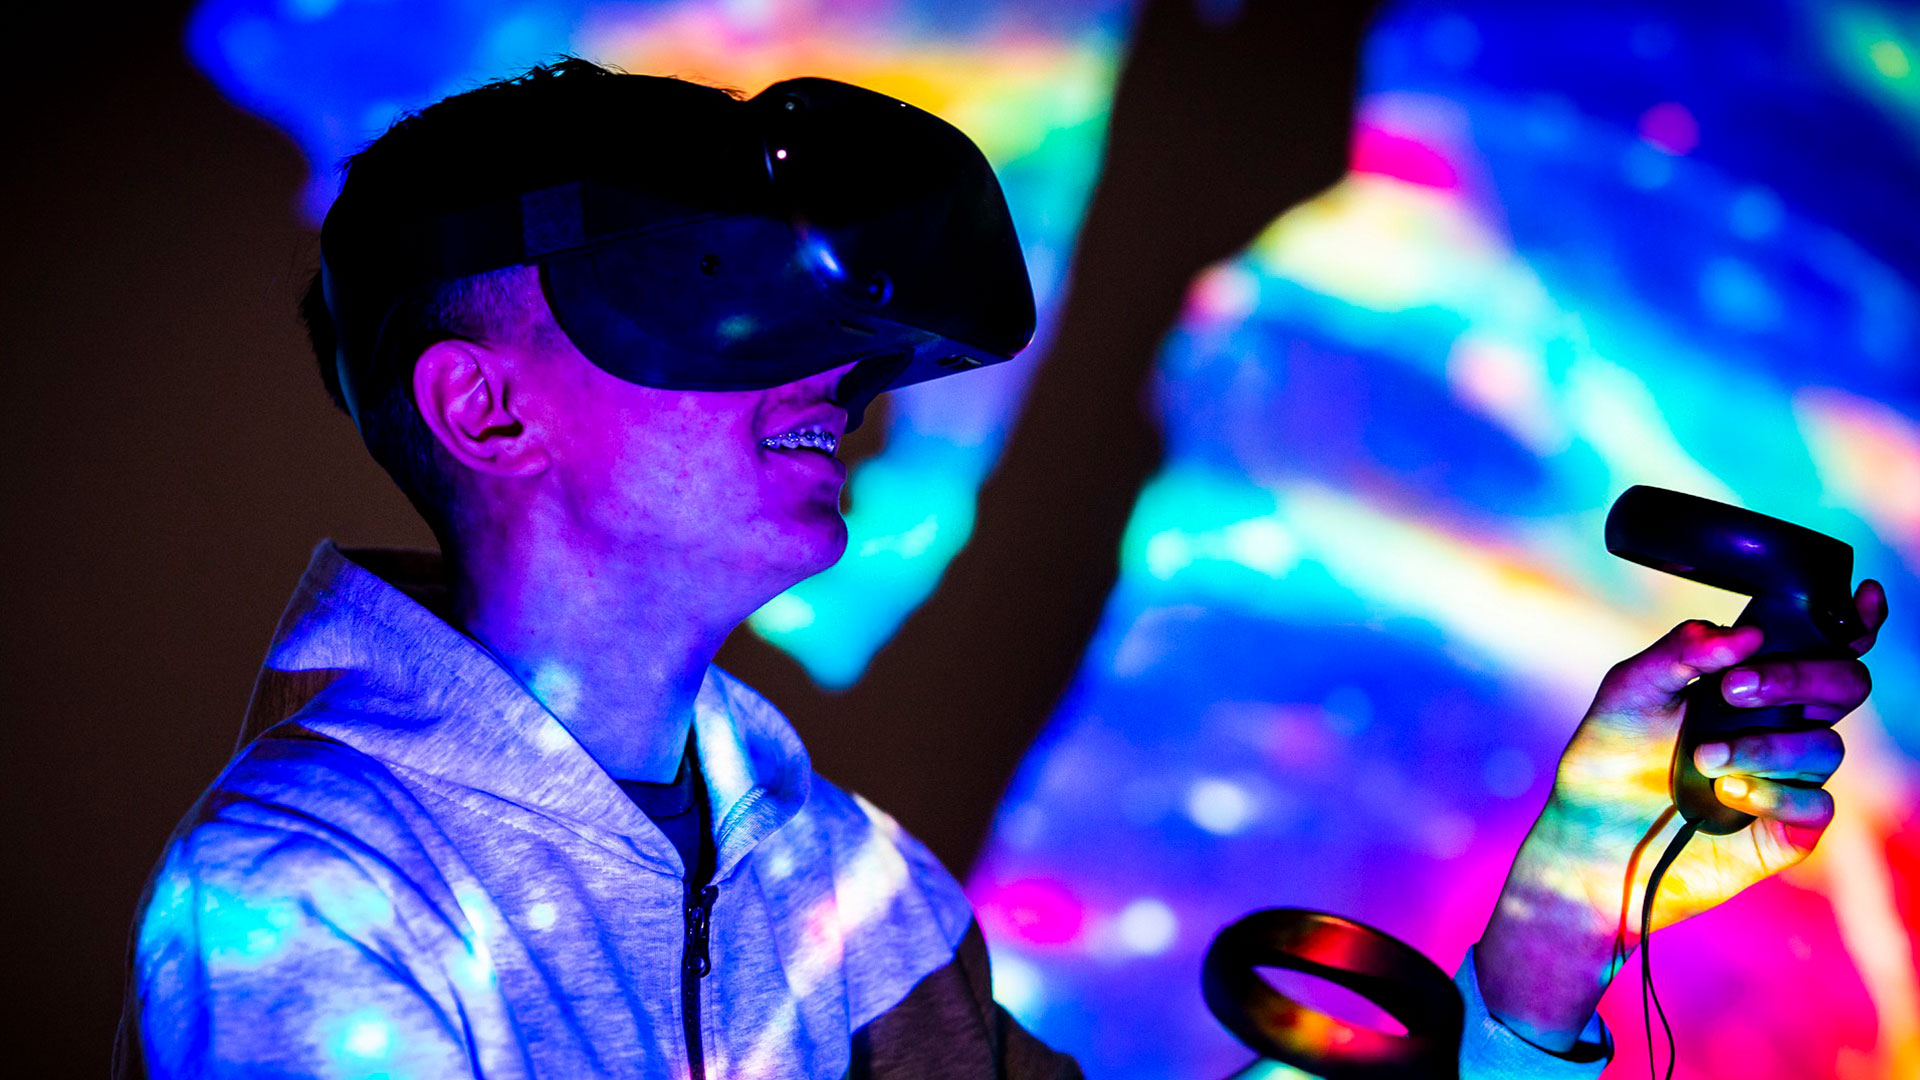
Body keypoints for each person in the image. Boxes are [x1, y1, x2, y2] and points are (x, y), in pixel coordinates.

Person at [120, 60, 1886, 1079]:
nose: (831, 372)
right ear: (488, 406)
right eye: (707, 290)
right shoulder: (311, 896)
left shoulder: (845, 888)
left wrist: (1565, 910)